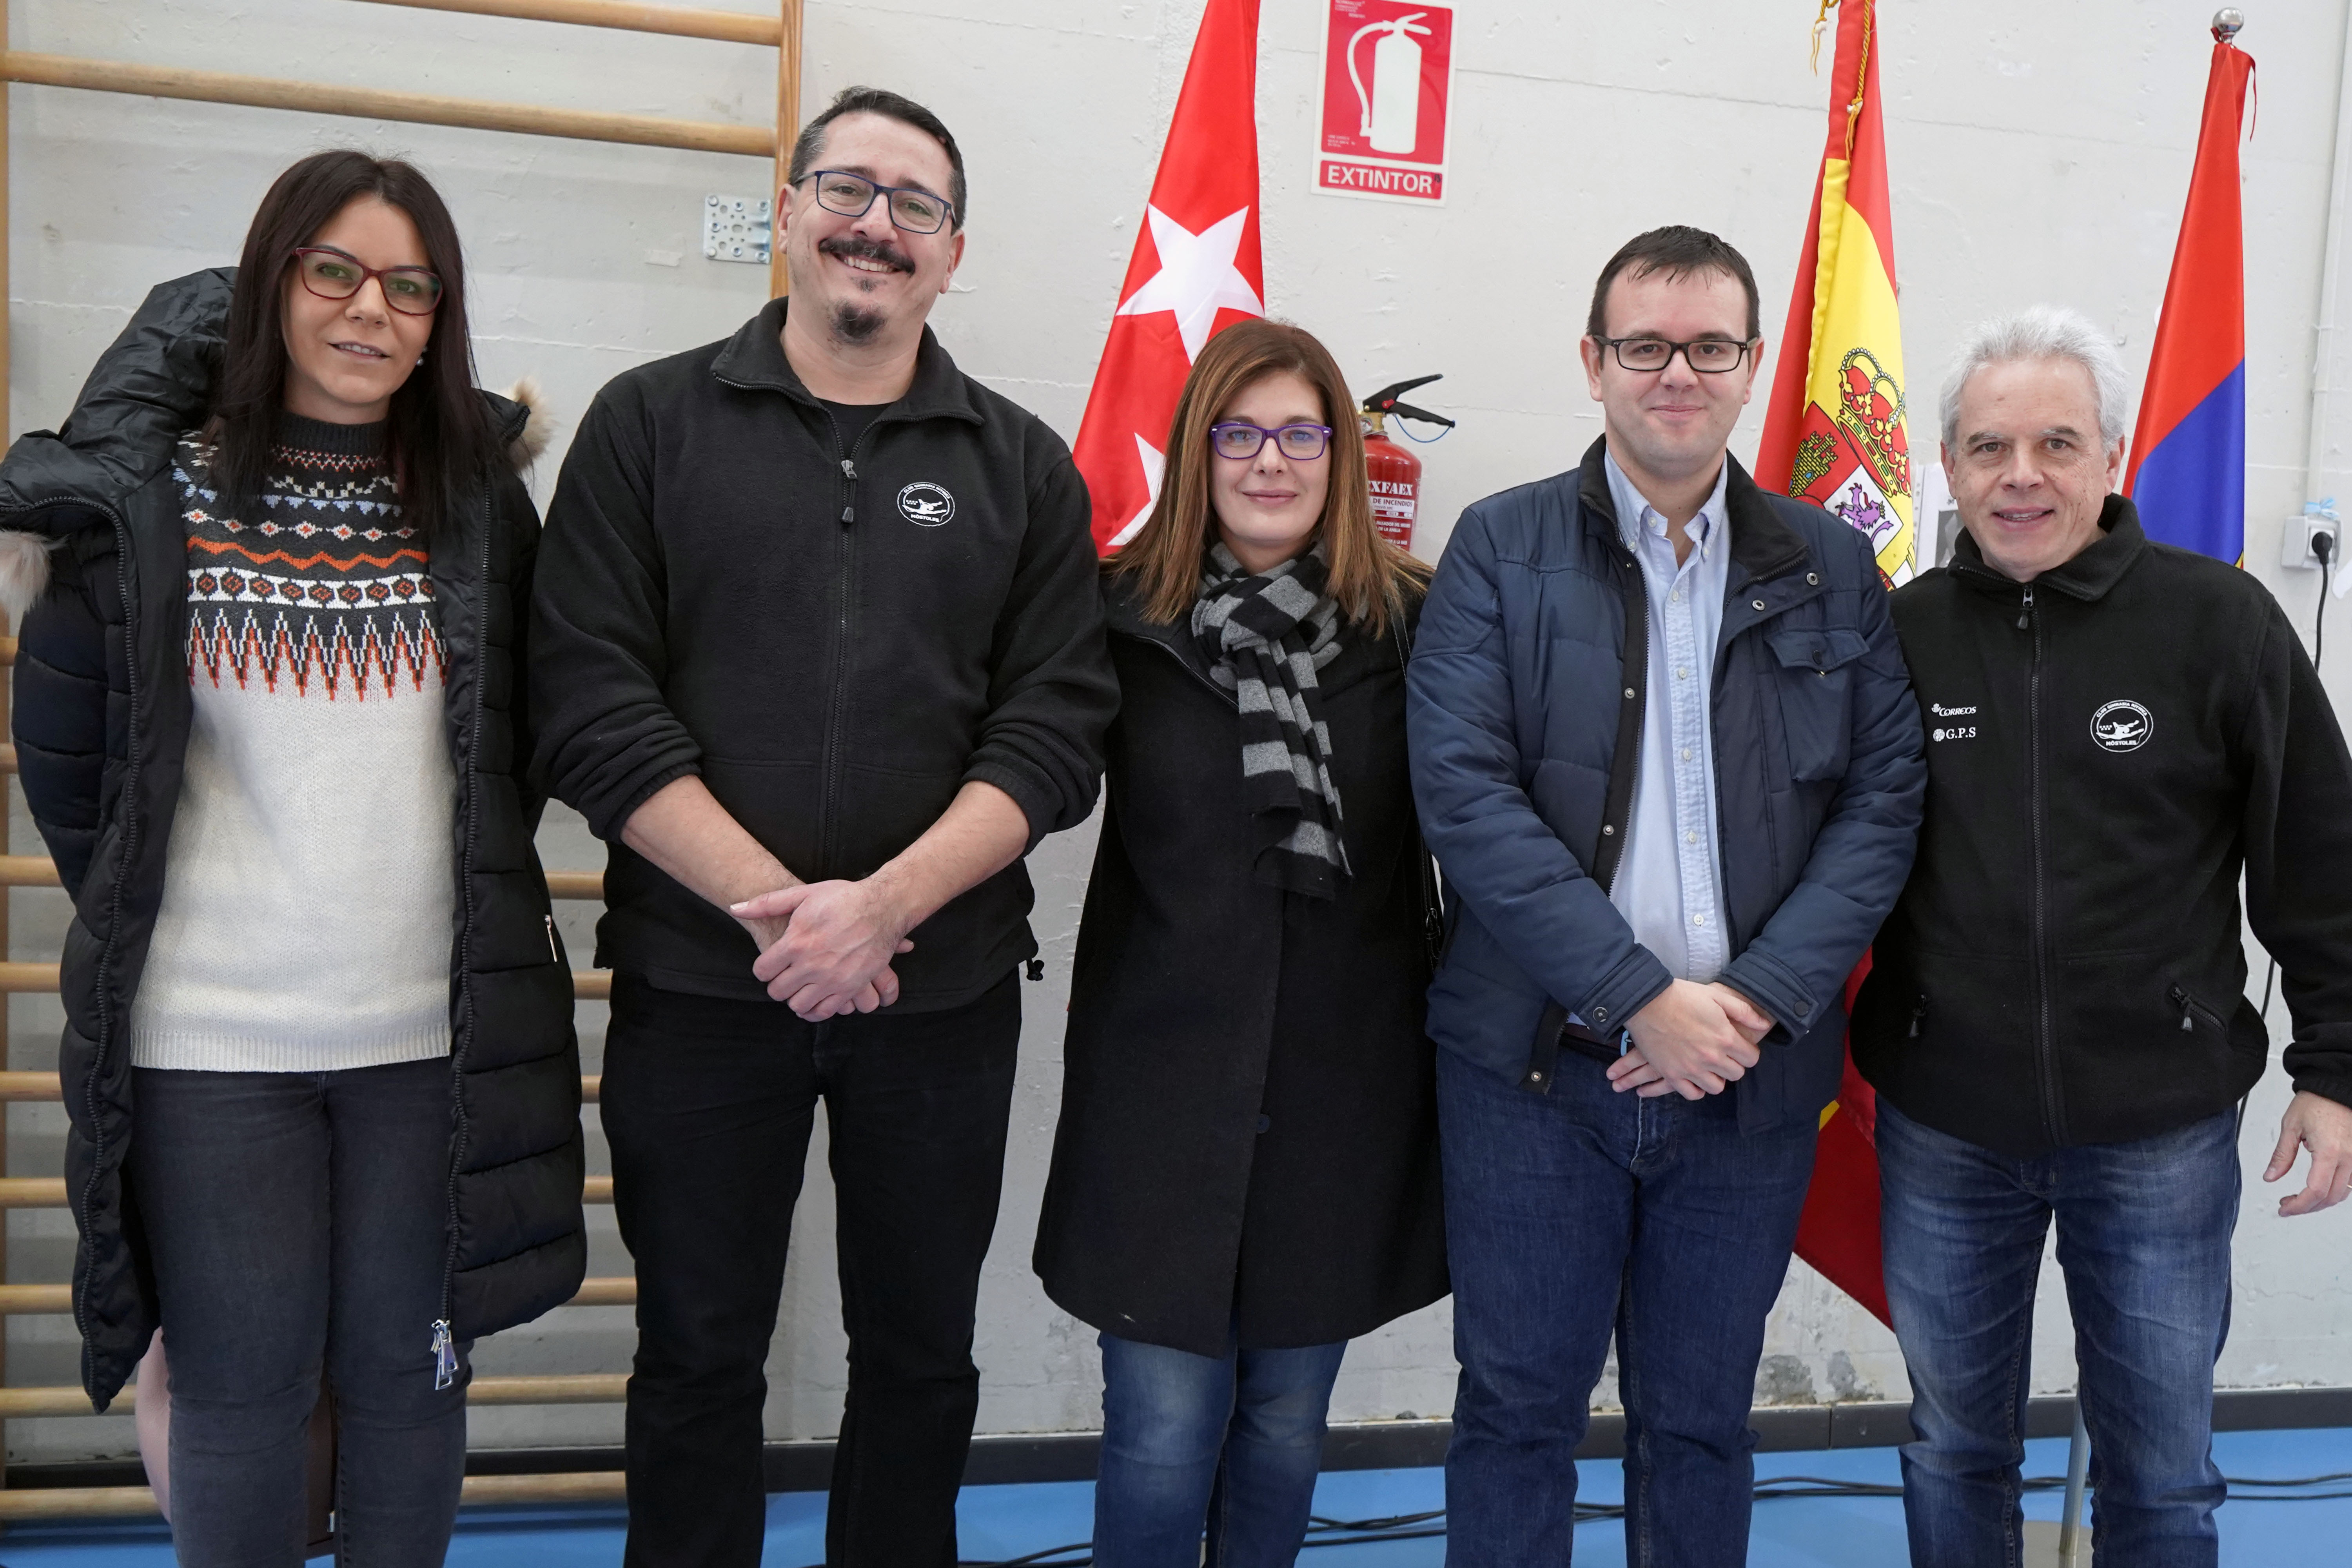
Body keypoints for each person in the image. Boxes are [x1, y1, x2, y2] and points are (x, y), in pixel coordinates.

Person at [530, 85, 1116, 1567]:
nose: (877, 226)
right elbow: (591, 706)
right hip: (699, 988)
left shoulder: (1024, 466)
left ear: (954, 251)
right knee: (695, 1353)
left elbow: (1055, 733)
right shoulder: (647, 426)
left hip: (940, 994)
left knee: (921, 1357)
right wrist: (789, 919)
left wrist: (883, 911)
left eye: (916, 205)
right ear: (789, 211)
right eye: (847, 189)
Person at [0, 149, 584, 1566]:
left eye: (410, 287)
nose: (368, 310)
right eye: (333, 271)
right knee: (241, 1393)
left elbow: (509, 754)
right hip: (209, 1047)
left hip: (428, 1044)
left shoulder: (479, 506)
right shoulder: (145, 500)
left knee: (409, 1381)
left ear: (440, 319)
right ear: (272, 283)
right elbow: (77, 772)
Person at [1404, 225, 1926, 1565]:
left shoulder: (1833, 565)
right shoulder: (1498, 547)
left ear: (1751, 365)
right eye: (1644, 346)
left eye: (1708, 347)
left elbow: (1883, 805)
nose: (1676, 373)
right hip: (1536, 1075)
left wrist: (1744, 1005)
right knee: (1517, 1411)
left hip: (1748, 1080)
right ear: (1594, 363)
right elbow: (1465, 798)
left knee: (1700, 1424)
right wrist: (1639, 996)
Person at [1851, 305, 2352, 1568]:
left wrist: (2336, 1071)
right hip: (1945, 1124)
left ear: (2113, 455)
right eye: (1989, 447)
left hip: (2157, 1129)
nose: (2020, 476)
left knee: (2163, 1475)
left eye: (2057, 444)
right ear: (1949, 465)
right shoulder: (1900, 636)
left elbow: (2322, 860)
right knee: (1952, 1449)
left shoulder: (2222, 623)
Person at [1033, 318, 1448, 1567]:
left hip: (1343, 1087)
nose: (1271, 461)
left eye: (1301, 435)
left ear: (1340, 455)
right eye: (1240, 433)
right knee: (1163, 1431)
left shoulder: (1414, 625)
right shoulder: (1118, 617)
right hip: (1162, 1086)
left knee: (1283, 1424)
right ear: (1196, 451)